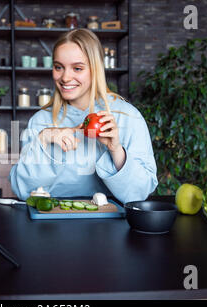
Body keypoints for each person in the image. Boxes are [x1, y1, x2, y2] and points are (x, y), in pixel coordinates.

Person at [9, 28, 158, 204]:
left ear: (95, 69)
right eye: (58, 67)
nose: (65, 77)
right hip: (52, 223)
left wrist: (116, 150)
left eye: (77, 68)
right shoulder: (41, 121)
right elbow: (23, 191)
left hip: (111, 225)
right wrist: (42, 140)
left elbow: (139, 194)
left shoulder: (127, 116)